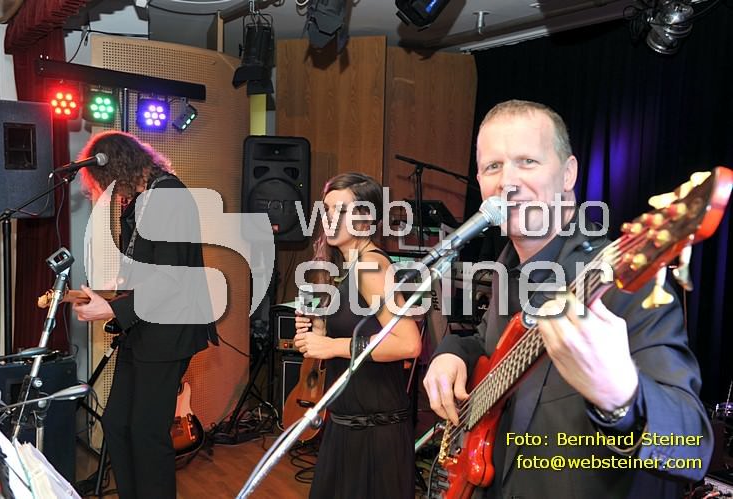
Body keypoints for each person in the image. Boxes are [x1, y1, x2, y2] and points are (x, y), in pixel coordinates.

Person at [423, 100, 714, 498]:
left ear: (568, 174)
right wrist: (451, 352)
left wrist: (621, 398)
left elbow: (692, 448)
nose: (507, 181)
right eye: (493, 166)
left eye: (527, 161)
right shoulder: (507, 270)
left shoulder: (625, 281)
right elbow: (486, 344)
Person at [72, 131, 218, 499]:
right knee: (117, 423)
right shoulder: (144, 198)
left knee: (147, 432)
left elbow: (171, 277)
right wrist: (108, 295)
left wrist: (112, 307)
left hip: (169, 332)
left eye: (105, 182)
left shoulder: (169, 197)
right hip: (142, 327)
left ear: (118, 170)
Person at [293, 172, 422, 499]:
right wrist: (314, 333)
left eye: (342, 210)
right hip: (348, 425)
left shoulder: (371, 266)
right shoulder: (346, 267)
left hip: (375, 433)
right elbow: (347, 338)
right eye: (326, 210)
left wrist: (332, 345)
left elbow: (408, 343)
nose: (330, 218)